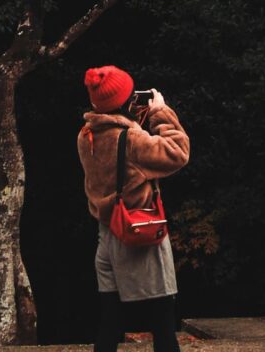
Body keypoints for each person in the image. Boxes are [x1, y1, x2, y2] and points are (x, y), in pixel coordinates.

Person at [77, 65, 191, 352]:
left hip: (107, 236)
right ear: (130, 102)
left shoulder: (86, 136)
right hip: (139, 233)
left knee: (110, 323)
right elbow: (177, 153)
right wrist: (160, 113)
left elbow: (118, 148)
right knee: (164, 325)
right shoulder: (133, 141)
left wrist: (130, 119)